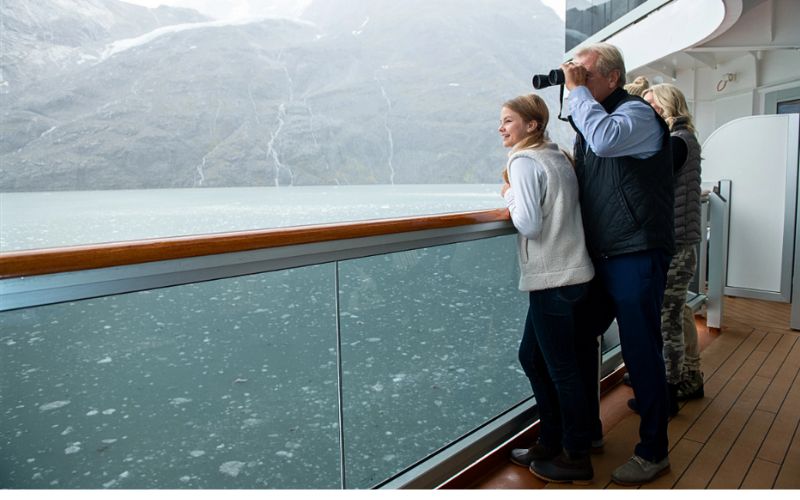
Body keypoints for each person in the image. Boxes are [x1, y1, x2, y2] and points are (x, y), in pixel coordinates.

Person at [561, 42, 675, 485]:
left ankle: (653, 451)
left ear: (612, 78)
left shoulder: (636, 115)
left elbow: (606, 141)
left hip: (637, 251)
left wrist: (577, 95)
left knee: (641, 349)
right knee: (575, 335)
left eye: (585, 75)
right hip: (604, 254)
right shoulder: (592, 123)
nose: (578, 83)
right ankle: (587, 429)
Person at [498, 94, 597, 483]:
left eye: (508, 121)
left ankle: (576, 455)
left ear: (532, 125)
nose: (501, 128)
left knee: (560, 369)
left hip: (551, 279)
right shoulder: (556, 157)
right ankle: (552, 439)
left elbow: (529, 223)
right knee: (534, 358)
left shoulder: (523, 162)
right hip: (574, 276)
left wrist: (506, 193)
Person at [643, 83, 704, 401]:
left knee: (669, 315)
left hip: (676, 242)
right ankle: (690, 375)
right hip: (684, 240)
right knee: (678, 312)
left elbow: (649, 180)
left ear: (668, 105)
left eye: (652, 104)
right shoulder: (684, 139)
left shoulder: (676, 143)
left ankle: (671, 382)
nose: (648, 110)